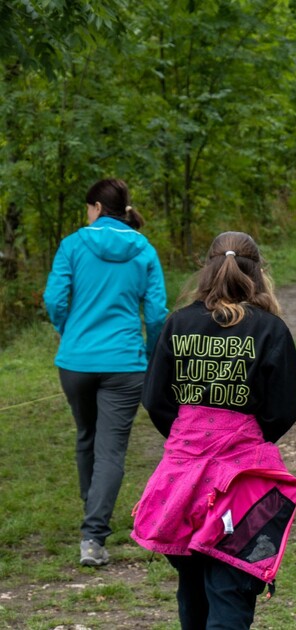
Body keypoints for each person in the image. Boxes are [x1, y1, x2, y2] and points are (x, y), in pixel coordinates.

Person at [133, 231, 296, 630]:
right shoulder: (269, 329)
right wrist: (245, 437)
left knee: (191, 582)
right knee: (231, 586)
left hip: (182, 478)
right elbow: (283, 408)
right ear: (258, 274)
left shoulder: (178, 324)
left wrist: (187, 442)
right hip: (243, 480)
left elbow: (156, 398)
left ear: (207, 269)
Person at [43, 178, 168, 566]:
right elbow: (158, 315)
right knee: (111, 449)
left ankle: (92, 514)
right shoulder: (143, 248)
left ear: (96, 207)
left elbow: (53, 299)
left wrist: (69, 331)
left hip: (77, 361)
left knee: (86, 436)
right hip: (125, 364)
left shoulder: (73, 244)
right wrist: (149, 356)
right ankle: (93, 534)